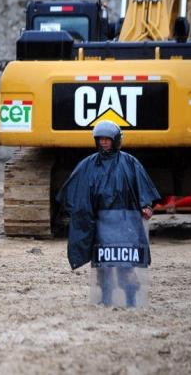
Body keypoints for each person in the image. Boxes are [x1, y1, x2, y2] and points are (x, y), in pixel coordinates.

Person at [57, 120, 160, 307]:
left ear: (116, 140)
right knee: (103, 266)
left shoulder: (130, 163)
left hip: (125, 223)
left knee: (125, 265)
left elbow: (142, 187)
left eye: (107, 139)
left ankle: (130, 300)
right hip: (100, 224)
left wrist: (146, 205)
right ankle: (105, 299)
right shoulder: (87, 165)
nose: (104, 142)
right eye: (100, 139)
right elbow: (74, 190)